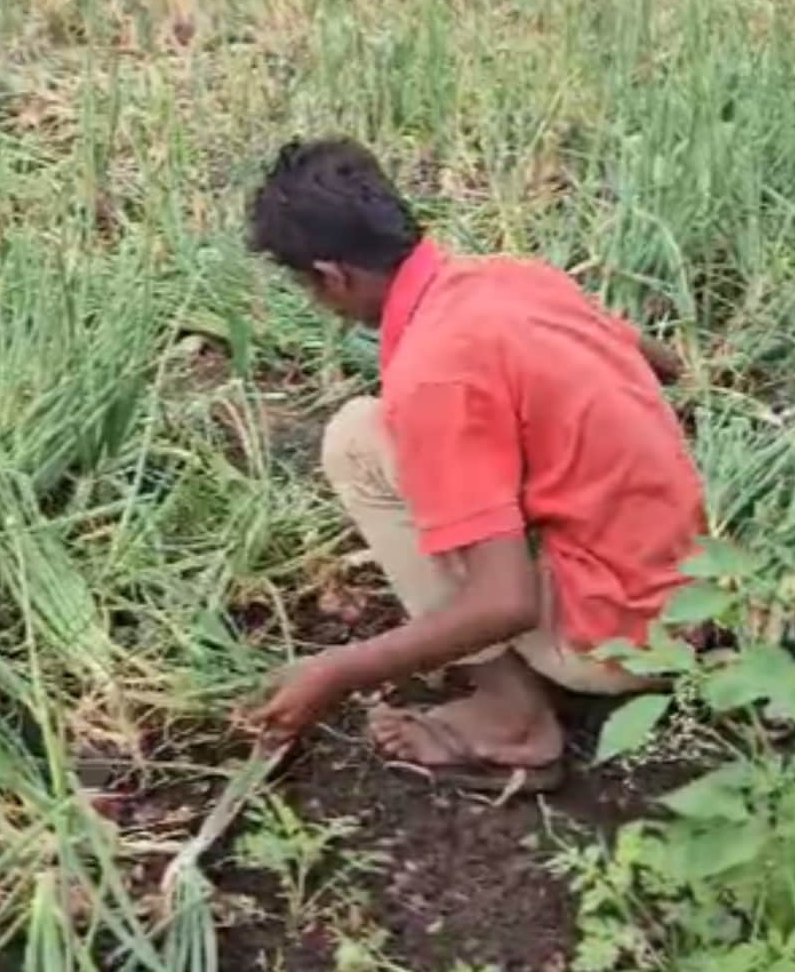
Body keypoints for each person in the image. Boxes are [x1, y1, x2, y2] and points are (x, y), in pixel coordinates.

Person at [241, 137, 706, 791]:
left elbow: (505, 603)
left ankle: (513, 720)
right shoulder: (513, 279)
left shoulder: (435, 373)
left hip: (618, 640)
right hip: (703, 588)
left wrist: (339, 671)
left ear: (332, 275)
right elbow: (660, 364)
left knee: (358, 440)